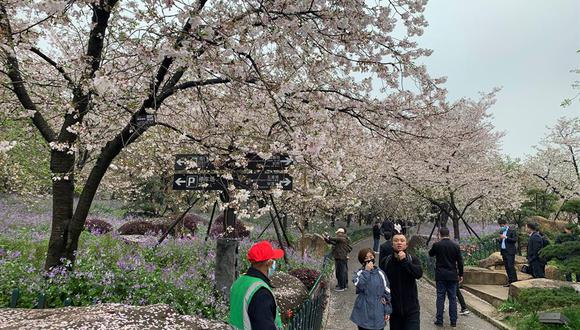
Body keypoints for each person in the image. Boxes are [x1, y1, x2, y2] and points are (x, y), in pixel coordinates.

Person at [229, 240, 284, 330]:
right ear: (268, 263)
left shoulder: (239, 282)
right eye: (274, 260)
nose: (275, 263)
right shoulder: (261, 292)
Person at [384, 231, 423, 330]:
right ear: (392, 244)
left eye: (402, 240)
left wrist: (405, 261)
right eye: (396, 241)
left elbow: (418, 274)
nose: (399, 243)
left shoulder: (412, 259)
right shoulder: (386, 261)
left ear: (406, 244)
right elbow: (382, 283)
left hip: (412, 310)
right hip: (394, 310)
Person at [429, 227, 464, 328]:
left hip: (440, 275)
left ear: (440, 234)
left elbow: (430, 254)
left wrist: (435, 244)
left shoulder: (437, 245)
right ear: (449, 234)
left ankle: (439, 320)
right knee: (452, 298)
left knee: (440, 297)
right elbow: (460, 262)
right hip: (452, 275)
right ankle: (453, 321)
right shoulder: (455, 246)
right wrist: (460, 274)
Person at [351, 248, 392, 330]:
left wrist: (387, 310)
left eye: (371, 257)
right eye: (366, 258)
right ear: (362, 261)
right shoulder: (359, 273)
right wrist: (367, 271)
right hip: (363, 310)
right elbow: (360, 285)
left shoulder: (381, 273)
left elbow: (387, 291)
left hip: (378, 310)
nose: (369, 260)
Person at [325, 227, 351, 291]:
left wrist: (328, 236)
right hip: (340, 257)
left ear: (341, 233)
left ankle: (342, 286)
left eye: (338, 233)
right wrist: (326, 239)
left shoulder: (342, 238)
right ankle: (343, 285)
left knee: (341, 272)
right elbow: (333, 242)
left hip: (341, 257)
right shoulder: (341, 239)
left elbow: (333, 239)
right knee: (340, 272)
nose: (337, 234)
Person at [498, 218, 518, 286]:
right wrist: (500, 239)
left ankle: (514, 281)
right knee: (506, 267)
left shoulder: (511, 231)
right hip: (504, 251)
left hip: (510, 251)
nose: (501, 227)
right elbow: (501, 241)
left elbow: (514, 240)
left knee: (510, 266)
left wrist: (506, 237)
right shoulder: (501, 231)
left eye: (502, 225)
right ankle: (510, 281)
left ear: (506, 224)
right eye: (500, 225)